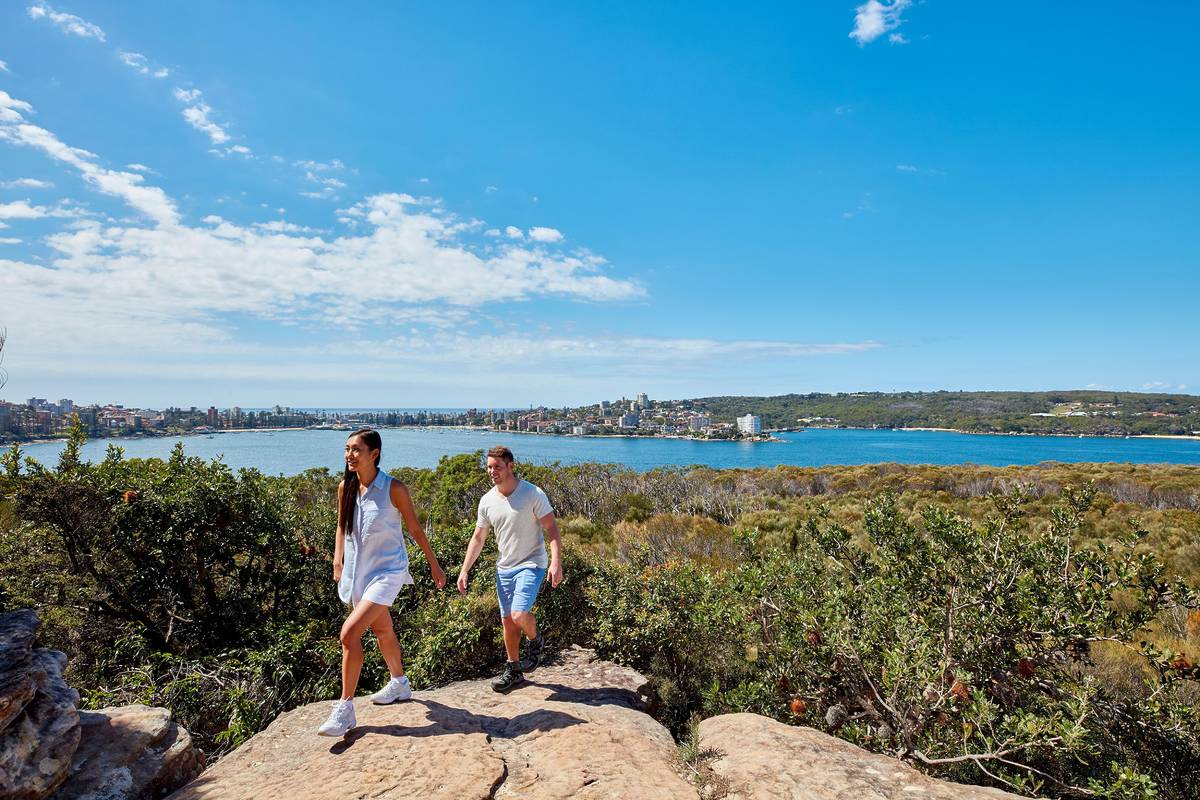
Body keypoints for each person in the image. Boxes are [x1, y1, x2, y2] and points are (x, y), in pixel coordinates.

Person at [317, 428, 447, 737]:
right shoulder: (345, 488)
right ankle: (400, 683)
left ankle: (345, 708)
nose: (349, 454)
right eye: (347, 449)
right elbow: (340, 526)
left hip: (388, 573)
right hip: (358, 573)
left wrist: (434, 565)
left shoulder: (393, 489)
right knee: (382, 629)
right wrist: (338, 560)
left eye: (356, 449)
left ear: (374, 453)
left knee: (349, 634)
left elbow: (415, 529)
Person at [457, 445, 563, 692]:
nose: (492, 472)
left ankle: (536, 640)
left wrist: (556, 562)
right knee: (508, 622)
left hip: (531, 563)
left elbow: (552, 529)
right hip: (504, 568)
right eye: (489, 467)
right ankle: (514, 670)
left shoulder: (532, 493)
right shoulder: (487, 501)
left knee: (518, 615)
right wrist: (464, 570)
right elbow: (478, 538)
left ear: (511, 466)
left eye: (498, 467)